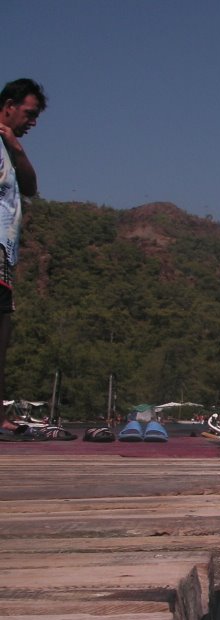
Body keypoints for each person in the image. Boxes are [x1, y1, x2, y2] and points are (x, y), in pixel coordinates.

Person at [1, 78, 46, 432]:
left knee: (3, 330)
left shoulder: (8, 145)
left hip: (5, 250)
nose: (32, 122)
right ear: (9, 105)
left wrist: (16, 147)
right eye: (29, 114)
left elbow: (30, 187)